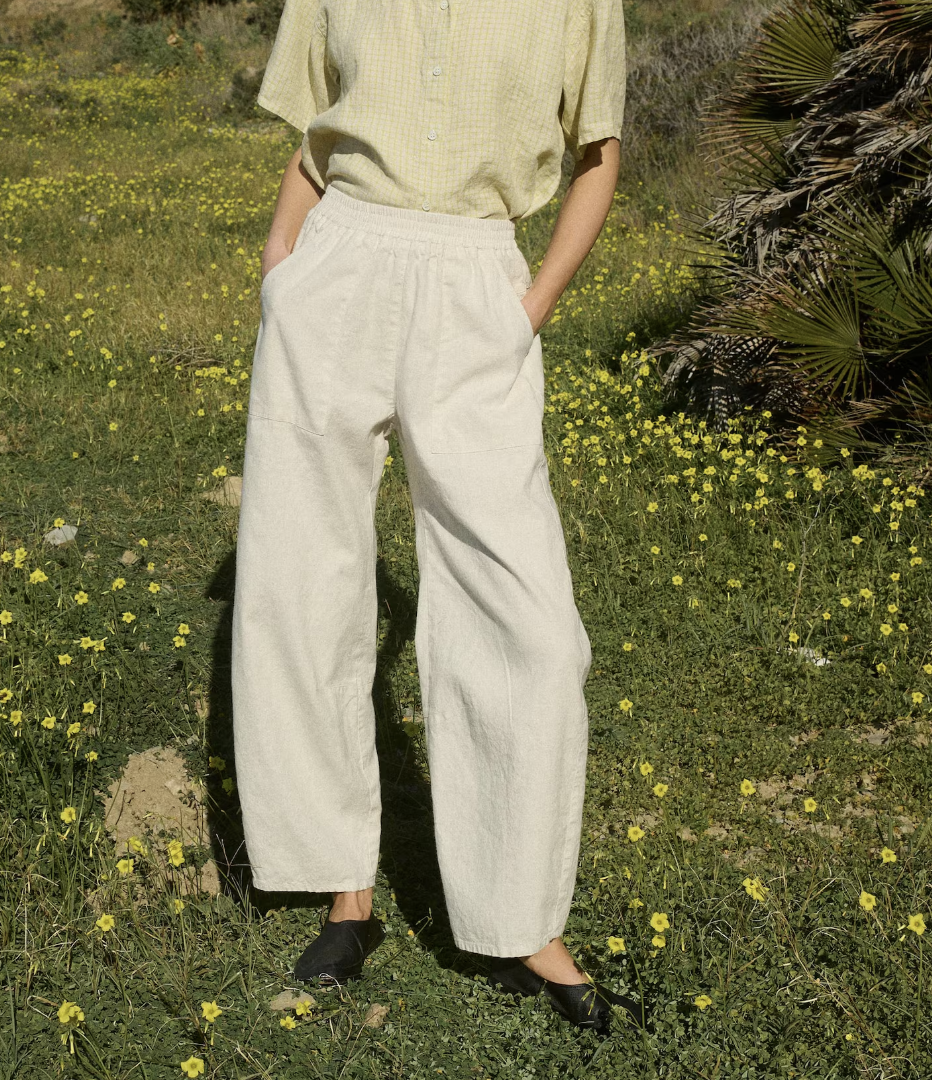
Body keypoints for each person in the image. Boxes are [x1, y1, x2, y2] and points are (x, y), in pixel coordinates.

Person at [231, 0, 644, 1036]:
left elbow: (598, 156)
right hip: (337, 273)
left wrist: (528, 310)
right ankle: (344, 890)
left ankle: (521, 918)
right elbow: (316, 135)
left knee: (530, 623)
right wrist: (282, 265)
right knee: (302, 582)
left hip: (477, 285)